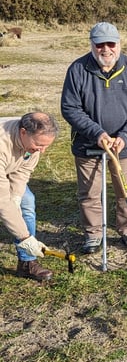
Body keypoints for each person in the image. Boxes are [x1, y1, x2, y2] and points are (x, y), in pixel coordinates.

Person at [61, 22, 127, 254]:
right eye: (100, 44)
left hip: (124, 145)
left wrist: (125, 135)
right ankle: (93, 234)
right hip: (88, 145)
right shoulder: (77, 69)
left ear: (119, 44)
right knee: (90, 192)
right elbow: (70, 108)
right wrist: (97, 133)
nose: (106, 49)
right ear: (92, 45)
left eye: (111, 44)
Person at [0, 112, 58, 281]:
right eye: (39, 145)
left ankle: (27, 262)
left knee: (26, 201)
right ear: (23, 132)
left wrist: (16, 196)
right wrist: (25, 238)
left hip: (6, 171)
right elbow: (2, 201)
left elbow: (24, 169)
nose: (42, 151)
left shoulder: (33, 143)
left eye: (46, 146)